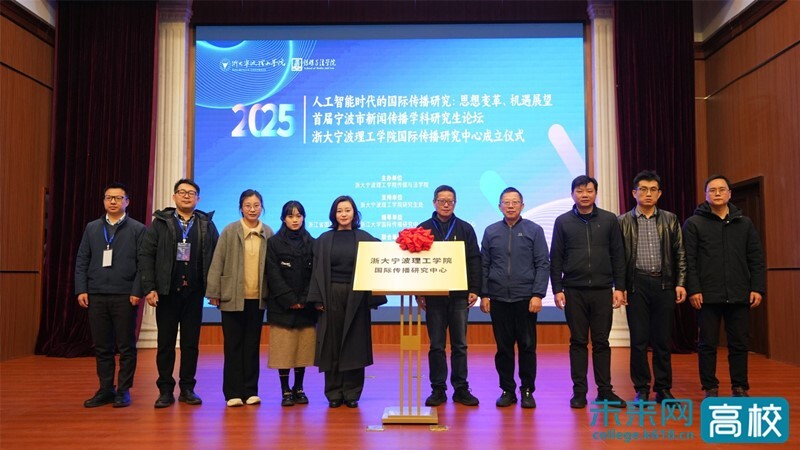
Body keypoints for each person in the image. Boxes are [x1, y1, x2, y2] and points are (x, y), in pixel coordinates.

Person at [683, 174, 765, 398]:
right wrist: (694, 289)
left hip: (739, 293)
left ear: (730, 193)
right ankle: (710, 387)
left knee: (739, 343)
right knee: (707, 344)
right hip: (706, 295)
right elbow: (689, 260)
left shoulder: (744, 223)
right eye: (712, 190)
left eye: (721, 189)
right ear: (705, 195)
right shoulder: (694, 223)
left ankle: (740, 386)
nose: (717, 193)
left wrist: (757, 288)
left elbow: (756, 258)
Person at [139, 178, 219, 408]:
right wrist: (149, 287)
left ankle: (187, 388)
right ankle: (165, 390)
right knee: (165, 344)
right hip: (167, 293)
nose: (186, 196)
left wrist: (214, 289)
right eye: (182, 192)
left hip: (194, 293)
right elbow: (146, 255)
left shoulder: (206, 224)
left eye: (191, 193)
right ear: (174, 197)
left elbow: (216, 258)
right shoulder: (161, 223)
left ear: (198, 199)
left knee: (190, 344)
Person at [550, 175, 627, 409]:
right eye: (580, 191)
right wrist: (557, 289)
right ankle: (579, 392)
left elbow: (618, 255)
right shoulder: (563, 221)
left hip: (603, 290)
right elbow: (556, 257)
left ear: (596, 193)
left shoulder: (609, 219)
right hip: (574, 291)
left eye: (589, 190)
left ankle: (605, 391)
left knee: (601, 341)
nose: (584, 195)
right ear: (572, 194)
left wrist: (619, 287)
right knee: (578, 342)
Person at [307, 195, 386, 408]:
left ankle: (352, 393)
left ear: (354, 213)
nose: (343, 214)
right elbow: (315, 272)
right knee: (331, 343)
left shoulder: (365, 237)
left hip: (356, 295)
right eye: (339, 211)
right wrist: (317, 298)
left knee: (355, 343)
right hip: (330, 293)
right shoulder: (323, 240)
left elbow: (382, 256)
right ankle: (334, 392)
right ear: (334, 214)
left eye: (347, 210)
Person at [75, 182, 146, 408]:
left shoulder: (138, 229)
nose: (113, 201)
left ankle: (123, 390)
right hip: (96, 294)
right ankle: (105, 389)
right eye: (109, 198)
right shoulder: (92, 228)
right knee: (102, 346)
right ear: (104, 201)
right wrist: (81, 289)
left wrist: (137, 291)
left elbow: (143, 264)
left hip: (125, 296)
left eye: (118, 198)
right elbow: (82, 260)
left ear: (127, 202)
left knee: (126, 347)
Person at [618, 170, 687, 404]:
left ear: (659, 194)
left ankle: (663, 389)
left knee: (662, 340)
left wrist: (680, 283)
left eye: (653, 190)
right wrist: (620, 287)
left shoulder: (670, 219)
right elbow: (618, 259)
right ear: (634, 193)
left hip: (664, 284)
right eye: (643, 189)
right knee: (638, 341)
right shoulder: (622, 221)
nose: (648, 194)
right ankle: (641, 388)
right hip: (636, 285)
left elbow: (680, 253)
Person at [479, 187, 550, 409]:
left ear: (522, 205)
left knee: (527, 346)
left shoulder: (534, 230)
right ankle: (507, 390)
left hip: (525, 299)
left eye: (515, 202)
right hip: (498, 298)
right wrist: (484, 294)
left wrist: (538, 294)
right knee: (504, 349)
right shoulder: (491, 231)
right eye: (506, 202)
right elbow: (484, 265)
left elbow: (542, 263)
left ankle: (527, 390)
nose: (510, 206)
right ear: (500, 206)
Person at [206, 189, 273, 407]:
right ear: (241, 208)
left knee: (252, 346)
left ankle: (250, 391)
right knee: (233, 345)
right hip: (232, 297)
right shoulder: (230, 230)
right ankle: (233, 393)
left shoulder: (268, 232)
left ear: (262, 207)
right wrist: (214, 292)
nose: (252, 209)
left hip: (257, 298)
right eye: (247, 205)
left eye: (256, 205)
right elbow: (217, 261)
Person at [416, 185, 481, 407]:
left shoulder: (465, 228)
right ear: (434, 202)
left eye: (450, 201)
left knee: (460, 344)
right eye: (442, 200)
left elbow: (474, 259)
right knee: (436, 345)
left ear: (455, 203)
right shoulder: (423, 229)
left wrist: (475, 289)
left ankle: (461, 388)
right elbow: (416, 263)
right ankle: (438, 389)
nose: (446, 204)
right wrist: (419, 292)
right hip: (433, 296)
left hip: (459, 295)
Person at [266, 201, 317, 407]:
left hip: (306, 308)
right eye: (290, 216)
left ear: (303, 218)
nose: (295, 220)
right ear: (283, 218)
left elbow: (315, 275)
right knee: (284, 350)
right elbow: (273, 275)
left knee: (302, 350)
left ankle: (299, 387)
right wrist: (289, 299)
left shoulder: (312, 243)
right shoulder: (273, 243)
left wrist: (303, 299)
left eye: (298, 216)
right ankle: (285, 389)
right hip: (281, 307)